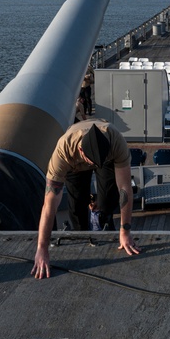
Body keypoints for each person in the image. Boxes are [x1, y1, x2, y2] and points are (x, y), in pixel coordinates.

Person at [31, 119, 140, 278]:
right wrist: (42, 248)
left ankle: (106, 224)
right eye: (92, 162)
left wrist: (125, 230)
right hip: (75, 164)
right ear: (82, 151)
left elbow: (125, 189)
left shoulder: (116, 142)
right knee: (76, 204)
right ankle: (81, 234)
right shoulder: (64, 150)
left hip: (107, 159)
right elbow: (50, 203)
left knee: (108, 199)